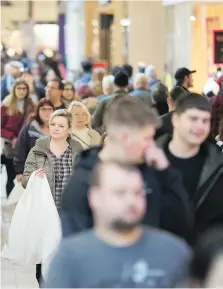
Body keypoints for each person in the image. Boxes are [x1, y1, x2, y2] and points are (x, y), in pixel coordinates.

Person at [61, 96, 192, 240]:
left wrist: (166, 173)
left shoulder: (151, 170)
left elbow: (181, 224)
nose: (151, 146)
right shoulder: (82, 181)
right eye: (146, 138)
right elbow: (76, 244)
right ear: (125, 138)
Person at [46, 162, 191, 288]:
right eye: (120, 193)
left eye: (138, 192)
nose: (131, 201)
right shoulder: (69, 258)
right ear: (95, 197)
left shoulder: (174, 252)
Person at [22, 109, 82, 283]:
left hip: (69, 214)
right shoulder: (38, 149)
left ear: (69, 129)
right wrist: (34, 177)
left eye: (61, 126)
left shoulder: (78, 150)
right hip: (44, 213)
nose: (55, 128)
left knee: (66, 256)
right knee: (44, 261)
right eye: (53, 124)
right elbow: (26, 180)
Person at [156, 93, 223, 244]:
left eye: (205, 121)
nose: (199, 126)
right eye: (193, 119)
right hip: (159, 250)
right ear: (175, 119)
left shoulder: (217, 165)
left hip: (206, 253)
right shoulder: (150, 160)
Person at [1, 78, 35, 196]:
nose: (21, 91)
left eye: (24, 88)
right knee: (12, 177)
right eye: (19, 88)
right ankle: (10, 207)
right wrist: (12, 137)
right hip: (11, 147)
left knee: (27, 178)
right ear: (14, 90)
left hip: (27, 146)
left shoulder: (31, 105)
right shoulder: (6, 105)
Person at [14, 98, 55, 182]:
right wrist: (19, 171)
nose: (46, 112)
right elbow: (20, 149)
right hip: (33, 173)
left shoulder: (59, 128)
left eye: (49, 109)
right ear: (37, 111)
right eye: (43, 109)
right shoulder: (29, 128)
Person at [91, 70, 129, 134]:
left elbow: (94, 123)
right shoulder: (135, 100)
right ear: (127, 84)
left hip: (110, 137)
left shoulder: (105, 101)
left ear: (114, 84)